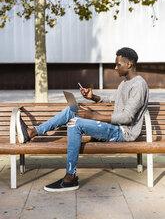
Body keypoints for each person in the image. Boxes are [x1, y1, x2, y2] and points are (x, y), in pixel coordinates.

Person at [16, 47, 149, 192]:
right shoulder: (125, 83)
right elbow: (111, 99)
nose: (115, 67)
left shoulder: (139, 85)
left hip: (123, 133)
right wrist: (93, 97)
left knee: (75, 123)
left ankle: (70, 177)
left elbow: (127, 117)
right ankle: (32, 132)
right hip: (114, 127)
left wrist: (95, 116)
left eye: (118, 64)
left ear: (129, 64)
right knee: (72, 110)